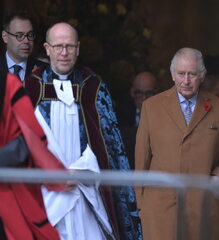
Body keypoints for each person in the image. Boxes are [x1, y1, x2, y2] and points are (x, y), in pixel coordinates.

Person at [24, 22, 142, 240]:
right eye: (58, 46)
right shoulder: (30, 88)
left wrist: (82, 171)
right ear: (47, 48)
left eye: (69, 46)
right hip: (44, 194)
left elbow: (110, 147)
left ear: (78, 49)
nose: (64, 53)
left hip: (86, 193)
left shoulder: (93, 87)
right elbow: (20, 142)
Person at [135, 47, 219, 240]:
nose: (186, 80)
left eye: (192, 74)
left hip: (203, 208)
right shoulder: (151, 107)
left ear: (202, 76)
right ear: (172, 75)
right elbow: (142, 159)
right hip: (160, 209)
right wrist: (141, 204)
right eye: (181, 74)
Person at [0, 71, 67, 239]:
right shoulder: (8, 83)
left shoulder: (8, 84)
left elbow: (29, 137)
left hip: (8, 187)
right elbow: (31, 137)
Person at [117, 71, 157, 169]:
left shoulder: (165, 118)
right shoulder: (121, 116)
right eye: (139, 93)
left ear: (157, 93)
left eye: (149, 93)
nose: (144, 98)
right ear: (132, 92)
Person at [1, 10, 44, 81]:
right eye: (19, 35)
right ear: (5, 37)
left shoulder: (44, 71)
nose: (26, 41)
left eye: (30, 35)